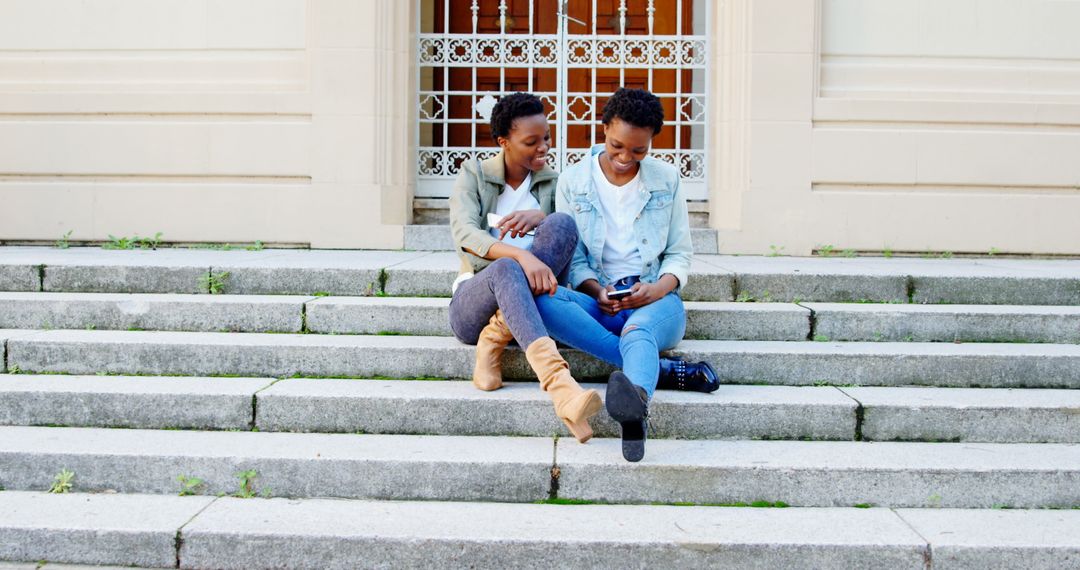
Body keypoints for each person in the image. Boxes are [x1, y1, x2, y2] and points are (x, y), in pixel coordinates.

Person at [535, 88, 718, 462]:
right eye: (617, 146)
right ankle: (660, 370)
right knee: (541, 299)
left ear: (652, 142)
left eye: (638, 151)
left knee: (638, 331)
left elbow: (679, 254)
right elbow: (578, 257)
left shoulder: (666, 179)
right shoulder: (573, 181)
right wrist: (596, 289)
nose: (624, 158)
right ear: (603, 129)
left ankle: (637, 406)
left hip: (657, 302)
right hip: (600, 301)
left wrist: (654, 291)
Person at [447, 92, 602, 443]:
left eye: (546, 138)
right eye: (531, 142)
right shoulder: (474, 175)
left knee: (562, 222)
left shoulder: (553, 182)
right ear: (504, 141)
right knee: (505, 269)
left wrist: (542, 216)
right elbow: (465, 234)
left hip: (533, 302)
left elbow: (578, 234)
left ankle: (497, 336)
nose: (543, 147)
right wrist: (522, 256)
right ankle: (561, 387)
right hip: (473, 303)